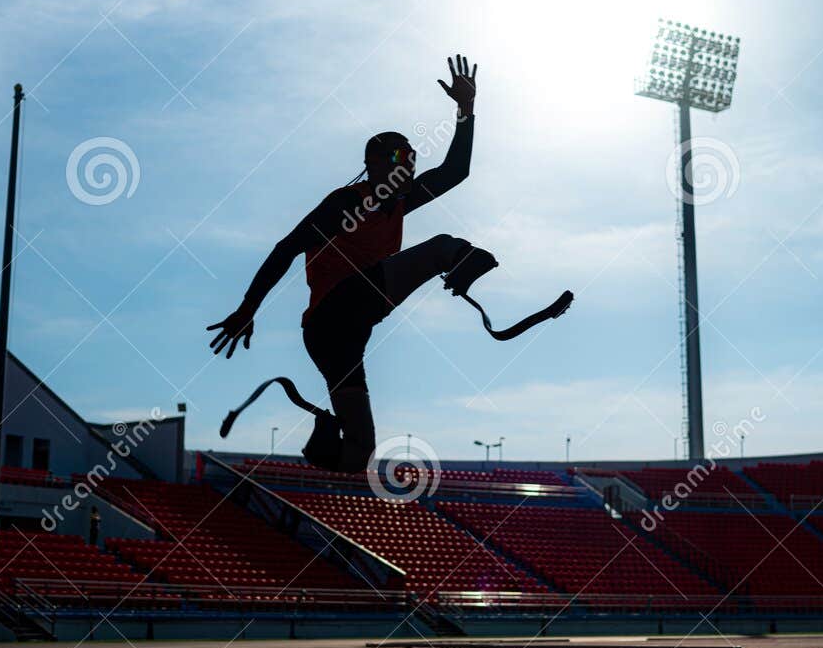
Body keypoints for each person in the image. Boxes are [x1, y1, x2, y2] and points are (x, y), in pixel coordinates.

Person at [207, 55, 570, 472]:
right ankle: (458, 262)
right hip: (333, 312)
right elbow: (285, 248)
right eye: (400, 157)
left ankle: (325, 453)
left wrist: (465, 111)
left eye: (412, 157)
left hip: (344, 335)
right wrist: (248, 308)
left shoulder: (398, 202)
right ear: (372, 164)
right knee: (442, 248)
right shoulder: (344, 204)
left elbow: (455, 171)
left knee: (361, 453)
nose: (409, 164)